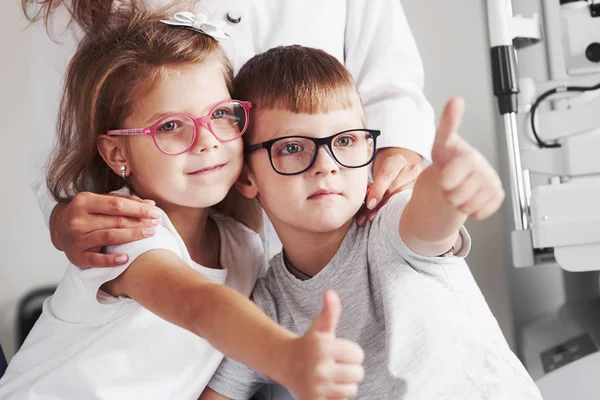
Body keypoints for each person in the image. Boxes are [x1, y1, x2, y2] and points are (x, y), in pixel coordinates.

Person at [0, 10, 365, 400]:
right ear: (118, 153)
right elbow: (199, 306)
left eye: (221, 115)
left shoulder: (244, 247)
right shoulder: (126, 231)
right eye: (171, 126)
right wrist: (287, 358)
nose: (206, 140)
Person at [199, 45, 543, 399]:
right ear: (246, 178)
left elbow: (430, 217)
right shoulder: (270, 305)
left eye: (345, 140)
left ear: (367, 149)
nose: (326, 164)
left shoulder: (389, 223)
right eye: (291, 147)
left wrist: (448, 182)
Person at [22, 0, 434, 268]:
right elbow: (62, 151)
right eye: (171, 126)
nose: (208, 141)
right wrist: (67, 220)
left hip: (350, 239)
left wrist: (398, 168)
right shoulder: (145, 253)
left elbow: (390, 86)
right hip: (181, 254)